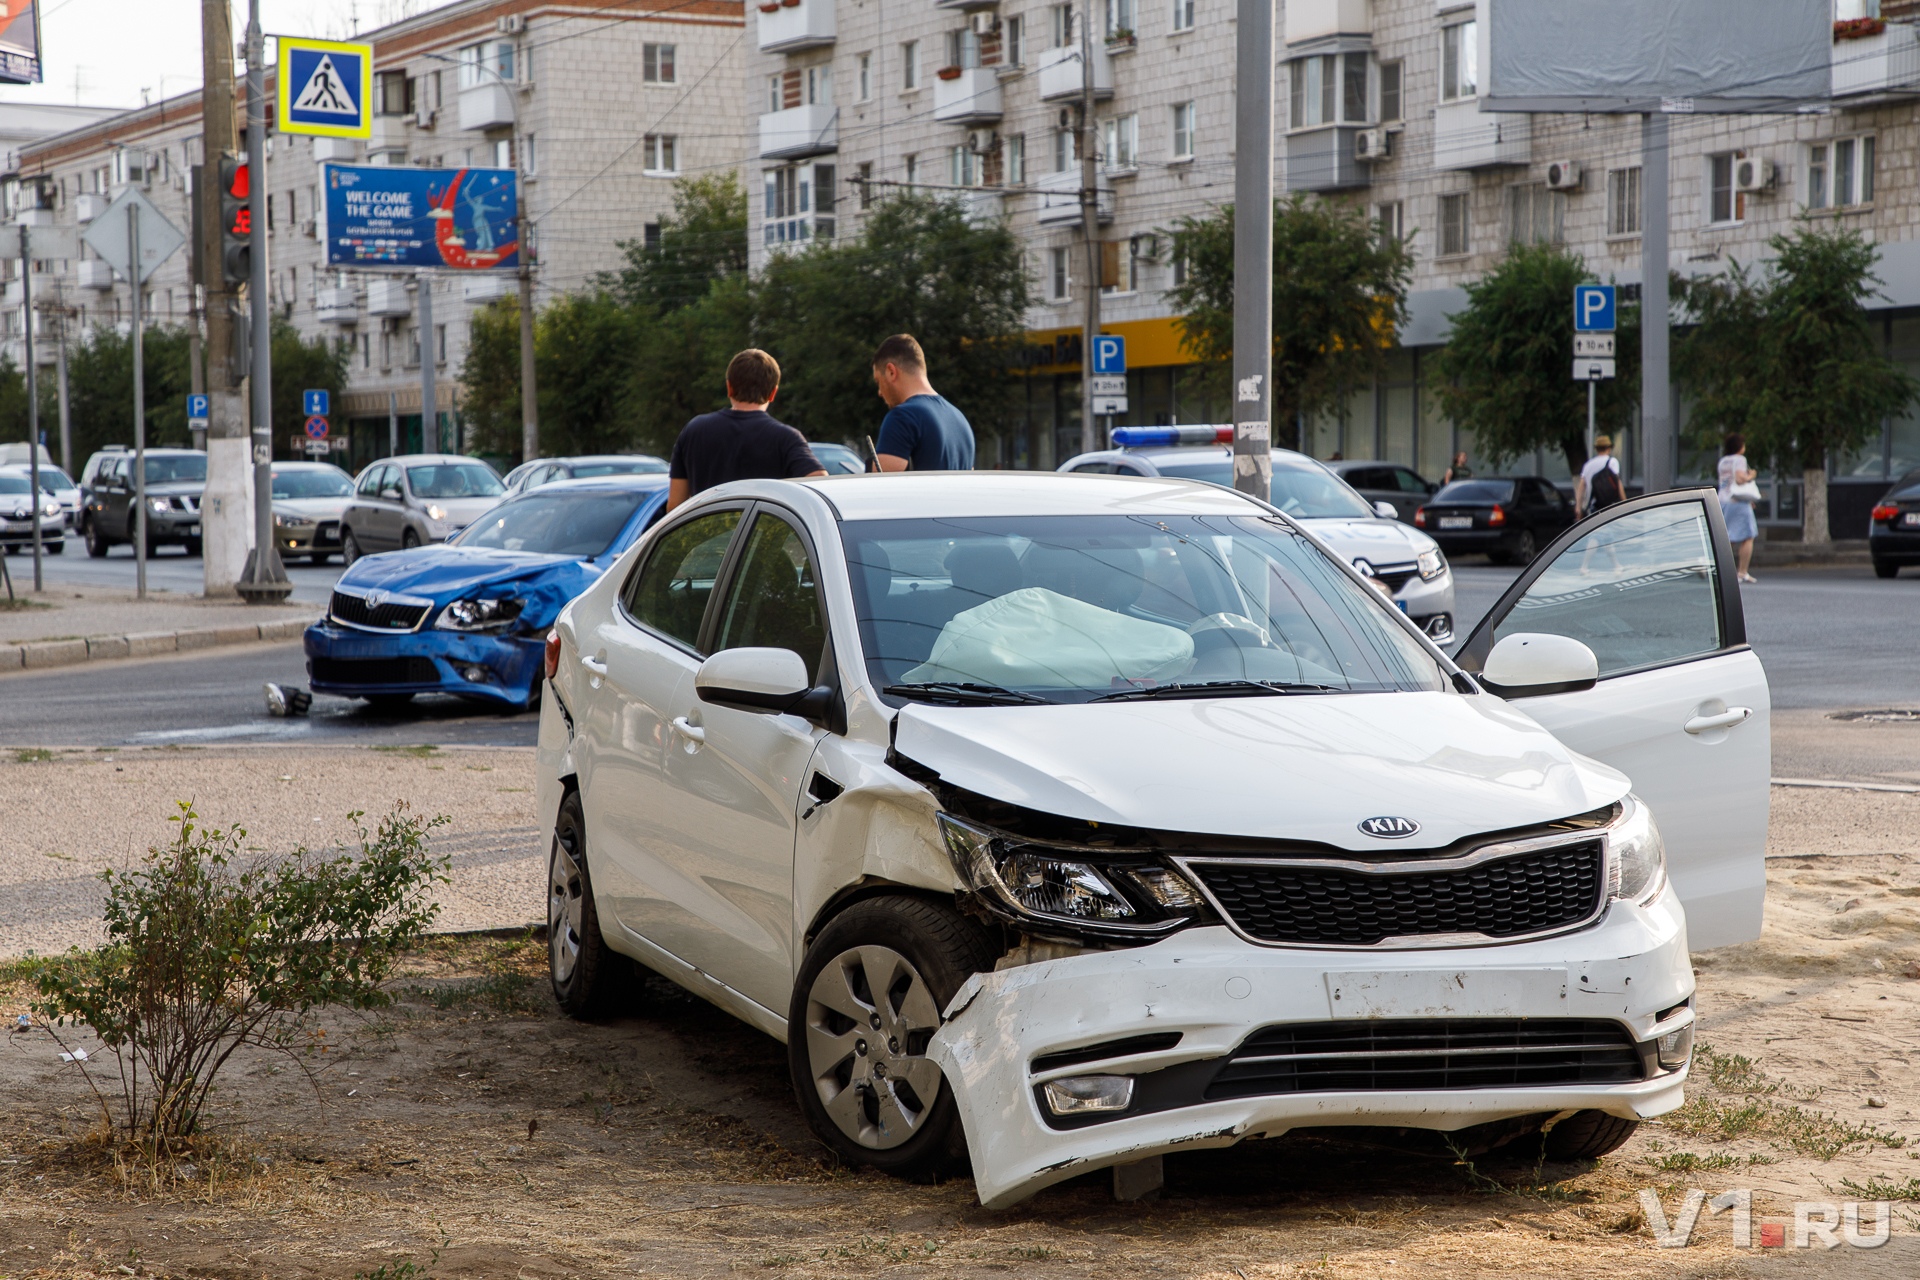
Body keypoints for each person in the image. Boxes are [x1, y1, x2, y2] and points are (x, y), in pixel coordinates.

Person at [666, 349, 825, 511]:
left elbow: (674, 506)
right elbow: (820, 483)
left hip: (708, 532)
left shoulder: (694, 430)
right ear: (773, 393)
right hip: (762, 533)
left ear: (729, 388)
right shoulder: (786, 438)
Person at [872, 334, 975, 471]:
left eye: (878, 381)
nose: (879, 392)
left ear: (891, 371)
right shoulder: (960, 420)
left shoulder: (903, 417)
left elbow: (881, 488)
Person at [1719, 431, 1760, 584]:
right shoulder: (1740, 459)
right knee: (1748, 536)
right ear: (1739, 446)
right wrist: (1752, 475)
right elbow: (1740, 479)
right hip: (1738, 503)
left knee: (1726, 538)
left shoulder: (1723, 461)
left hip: (1723, 500)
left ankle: (1721, 571)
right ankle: (1742, 572)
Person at [1574, 435, 1625, 517]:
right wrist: (1624, 503)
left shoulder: (1588, 465)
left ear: (1597, 449)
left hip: (1593, 508)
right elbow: (1618, 483)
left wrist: (1578, 508)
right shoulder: (1612, 462)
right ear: (1608, 448)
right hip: (1611, 507)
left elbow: (1581, 487)